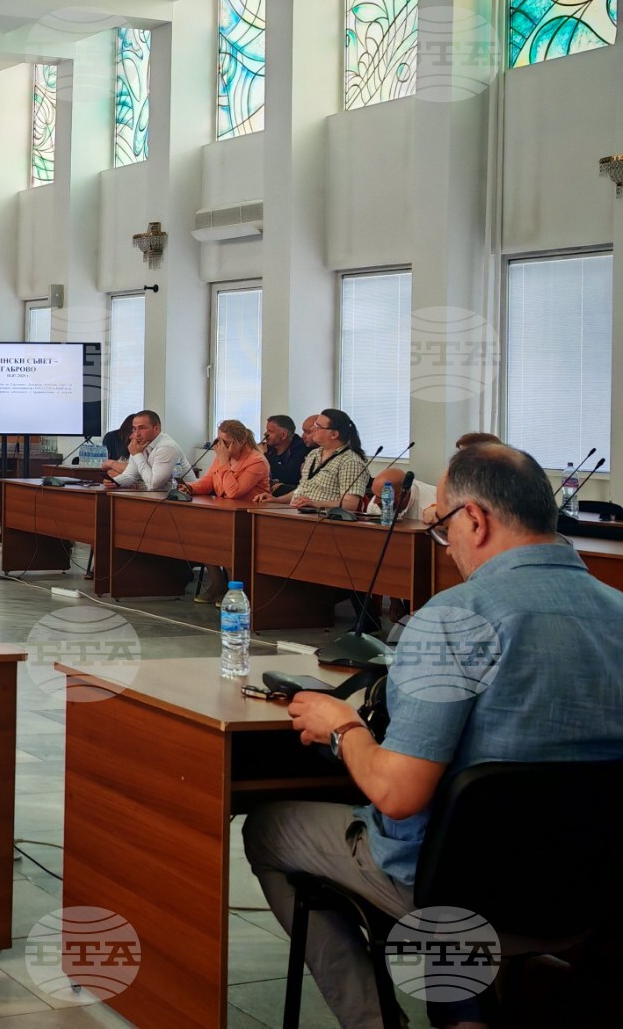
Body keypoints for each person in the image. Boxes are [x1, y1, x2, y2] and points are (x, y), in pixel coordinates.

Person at [244, 444, 623, 1029]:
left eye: (443, 526)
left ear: (475, 519)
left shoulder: (453, 618)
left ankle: (376, 1022)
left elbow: (398, 794)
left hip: (458, 887)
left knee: (269, 829)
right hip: (590, 891)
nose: (445, 546)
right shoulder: (617, 609)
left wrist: (343, 727)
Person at [188, 419, 270, 603]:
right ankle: (217, 583)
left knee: (227, 543)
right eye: (219, 441)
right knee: (201, 538)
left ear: (241, 442)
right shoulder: (222, 457)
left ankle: (236, 591)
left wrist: (224, 461)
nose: (221, 447)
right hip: (224, 513)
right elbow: (209, 481)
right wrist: (190, 487)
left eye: (226, 443)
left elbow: (234, 492)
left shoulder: (256, 461)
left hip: (247, 517)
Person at [279, 408, 371, 511]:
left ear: (334, 434)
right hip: (297, 513)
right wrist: (276, 500)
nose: (313, 429)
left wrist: (314, 504)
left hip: (324, 517)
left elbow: (350, 504)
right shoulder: (313, 454)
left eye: (318, 427)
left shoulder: (350, 462)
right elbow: (301, 490)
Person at [105, 410, 190, 491]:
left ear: (156, 429)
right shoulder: (140, 444)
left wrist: (137, 455)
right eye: (134, 429)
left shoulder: (167, 447)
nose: (136, 434)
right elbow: (130, 476)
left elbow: (154, 484)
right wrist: (115, 481)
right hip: (160, 496)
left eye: (142, 428)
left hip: (185, 497)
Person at [261, 414, 307, 495]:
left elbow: (289, 475)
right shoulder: (268, 447)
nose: (265, 434)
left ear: (283, 435)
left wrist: (265, 456)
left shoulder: (301, 449)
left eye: (270, 431)